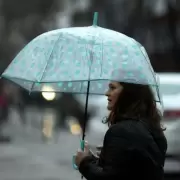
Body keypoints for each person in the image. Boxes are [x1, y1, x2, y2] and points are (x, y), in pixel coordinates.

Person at [74, 81, 167, 180]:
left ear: (128, 93)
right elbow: (128, 171)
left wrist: (84, 162)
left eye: (113, 88)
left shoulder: (121, 131)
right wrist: (102, 158)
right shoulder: (151, 127)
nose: (107, 93)